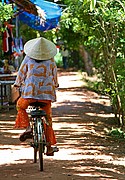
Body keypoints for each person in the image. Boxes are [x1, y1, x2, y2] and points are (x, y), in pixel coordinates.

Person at [14, 37, 59, 156]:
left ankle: (28, 127)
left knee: (20, 106)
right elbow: (55, 75)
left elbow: (21, 72)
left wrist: (17, 83)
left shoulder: (28, 59)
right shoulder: (50, 60)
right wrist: (55, 84)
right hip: (46, 96)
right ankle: (49, 147)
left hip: (30, 95)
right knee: (48, 120)